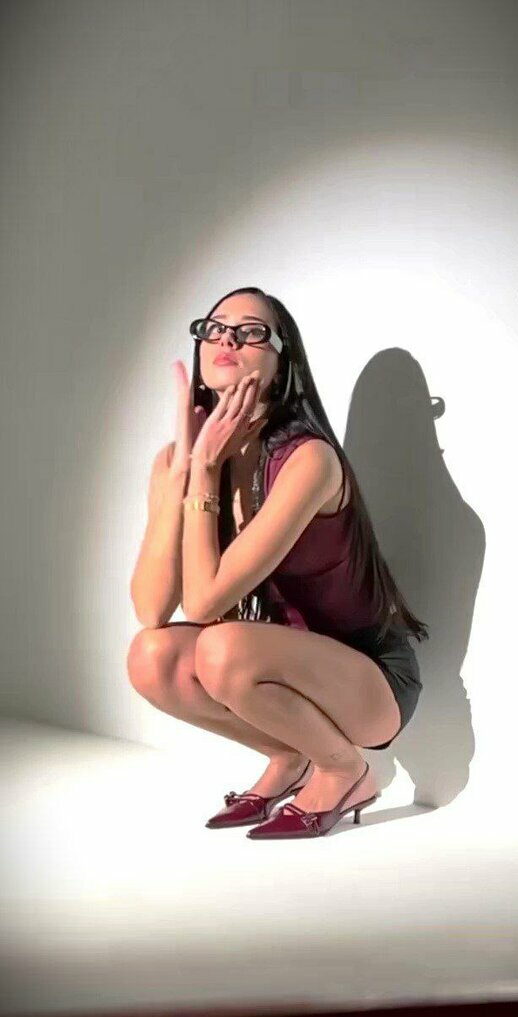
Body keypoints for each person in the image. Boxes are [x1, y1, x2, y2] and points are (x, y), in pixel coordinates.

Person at [127, 286, 429, 840]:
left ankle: (345, 770)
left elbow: (204, 603)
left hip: (369, 682)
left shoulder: (307, 459)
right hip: (269, 662)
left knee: (220, 646)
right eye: (215, 328)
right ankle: (291, 756)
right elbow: (152, 609)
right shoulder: (180, 461)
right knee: (151, 657)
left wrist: (206, 471)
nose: (227, 340)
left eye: (251, 332)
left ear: (282, 359)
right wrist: (186, 470)